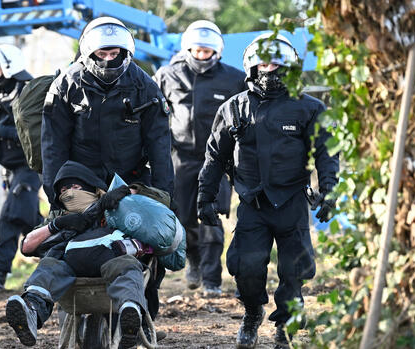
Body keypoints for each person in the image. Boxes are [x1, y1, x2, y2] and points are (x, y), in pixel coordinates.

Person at [197, 33, 339, 349]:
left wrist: (328, 192)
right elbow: (215, 156)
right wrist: (205, 197)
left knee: (294, 272)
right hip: (250, 201)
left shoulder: (309, 108)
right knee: (245, 267)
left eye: (275, 63)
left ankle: (285, 329)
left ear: (288, 66)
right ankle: (252, 314)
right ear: (251, 66)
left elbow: (327, 153)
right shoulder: (234, 108)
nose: (269, 68)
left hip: (292, 201)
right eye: (263, 62)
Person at [41, 16, 174, 319]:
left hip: (131, 183)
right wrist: (56, 195)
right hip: (79, 183)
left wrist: (165, 198)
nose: (108, 59)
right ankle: (63, 309)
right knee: (67, 245)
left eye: (114, 53)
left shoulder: (146, 88)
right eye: (102, 54)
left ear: (126, 52)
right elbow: (52, 146)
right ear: (89, 53)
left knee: (149, 251)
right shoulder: (65, 86)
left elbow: (160, 147)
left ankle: (140, 316)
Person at [6, 160, 172, 348]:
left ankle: (130, 312)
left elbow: (162, 200)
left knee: (127, 266)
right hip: (72, 272)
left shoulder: (115, 204)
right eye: (62, 190)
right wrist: (56, 225)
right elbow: (26, 246)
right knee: (49, 266)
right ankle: (32, 310)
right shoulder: (60, 215)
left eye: (75, 186)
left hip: (112, 262)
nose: (68, 192)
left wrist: (127, 193)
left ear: (91, 187)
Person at [153, 20, 246, 296]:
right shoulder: (167, 75)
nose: (202, 55)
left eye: (207, 51)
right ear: (188, 48)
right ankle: (192, 259)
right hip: (180, 157)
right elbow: (153, 112)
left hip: (217, 160)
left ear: (216, 51)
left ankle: (212, 280)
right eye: (197, 50)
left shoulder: (233, 78)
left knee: (212, 216)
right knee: (183, 216)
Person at [0, 44, 42, 294]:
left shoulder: (28, 91)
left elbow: (38, 133)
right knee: (31, 222)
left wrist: (2, 131)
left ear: (9, 66)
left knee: (10, 217)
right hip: (11, 170)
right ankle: (62, 259)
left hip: (30, 167)